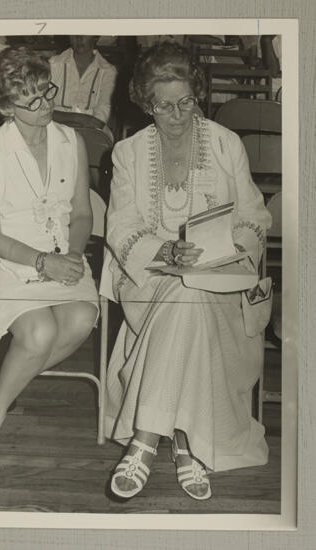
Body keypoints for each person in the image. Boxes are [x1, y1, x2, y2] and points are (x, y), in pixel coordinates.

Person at [100, 42, 272, 500]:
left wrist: (233, 248)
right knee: (183, 296)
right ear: (145, 103)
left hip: (219, 283)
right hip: (150, 279)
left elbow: (256, 217)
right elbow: (121, 227)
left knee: (192, 297)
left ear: (197, 94)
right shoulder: (128, 153)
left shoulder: (225, 143)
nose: (178, 115)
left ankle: (145, 441)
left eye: (186, 102)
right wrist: (168, 255)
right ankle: (184, 442)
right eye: (164, 105)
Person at [0, 46, 99, 467]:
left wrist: (72, 252)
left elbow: (83, 212)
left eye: (47, 92)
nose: (45, 106)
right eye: (30, 101)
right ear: (5, 107)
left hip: (60, 251)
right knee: (37, 333)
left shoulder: (71, 141)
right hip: (7, 258)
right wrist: (42, 261)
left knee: (80, 319)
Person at [49, 35, 117, 135]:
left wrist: (85, 127)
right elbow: (45, 109)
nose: (79, 38)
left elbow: (102, 112)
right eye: (74, 33)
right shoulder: (53, 64)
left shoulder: (108, 71)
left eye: (85, 33)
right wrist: (78, 118)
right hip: (56, 130)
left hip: (91, 132)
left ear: (95, 37)